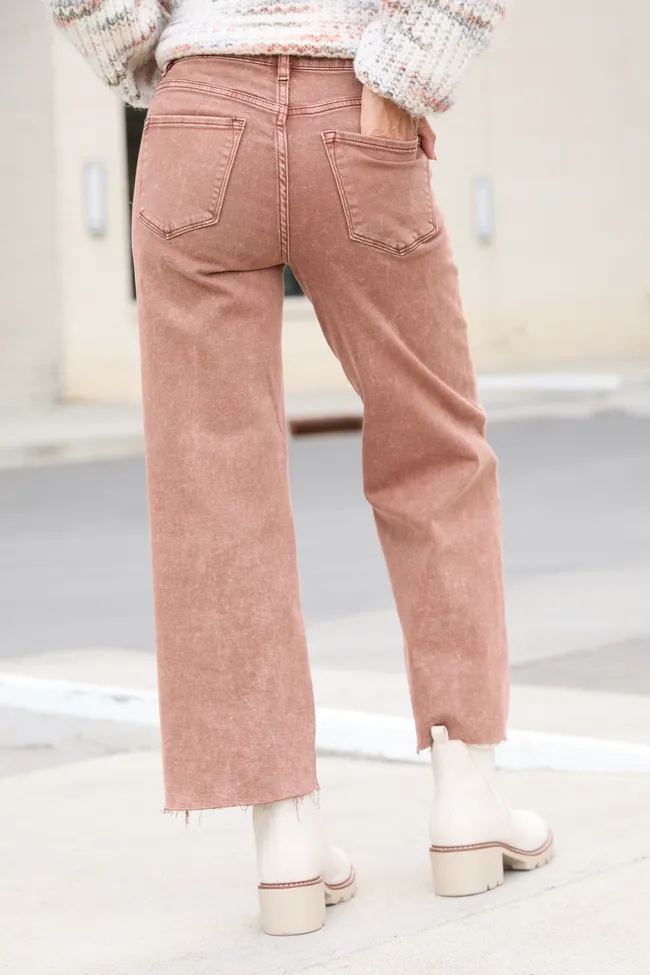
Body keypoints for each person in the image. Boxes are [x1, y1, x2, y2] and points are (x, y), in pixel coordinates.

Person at [46, 0, 553, 938]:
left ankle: (285, 835)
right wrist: (405, 79)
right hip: (354, 102)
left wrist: (156, 63)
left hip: (198, 121)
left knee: (214, 483)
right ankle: (469, 795)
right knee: (434, 449)